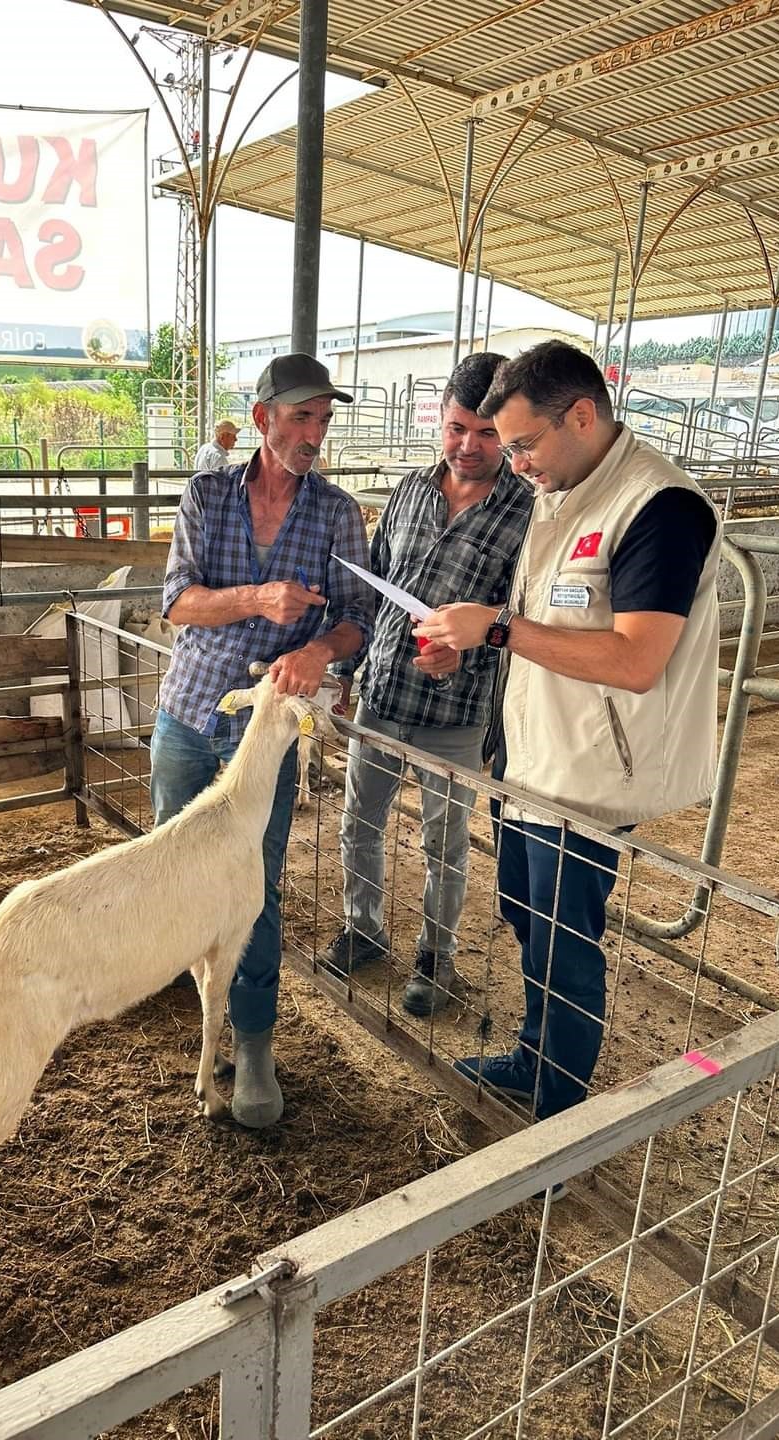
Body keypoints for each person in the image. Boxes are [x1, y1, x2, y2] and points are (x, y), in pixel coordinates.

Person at [418, 340, 720, 1123]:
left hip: (590, 773)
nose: (512, 463)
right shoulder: (564, 492)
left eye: (521, 443)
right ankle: (534, 1054)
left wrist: (497, 632)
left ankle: (558, 1115)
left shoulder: (660, 506)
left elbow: (636, 658)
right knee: (526, 918)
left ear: (580, 415)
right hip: (529, 760)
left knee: (565, 943)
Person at [152, 353, 374, 1129]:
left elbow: (358, 617)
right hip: (190, 711)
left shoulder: (339, 512)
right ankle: (187, 996)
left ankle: (251, 1042)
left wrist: (318, 651)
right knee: (172, 867)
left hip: (265, 734)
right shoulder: (207, 495)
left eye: (323, 420)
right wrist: (256, 598)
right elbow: (176, 601)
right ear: (262, 420)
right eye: (301, 418)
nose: (315, 434)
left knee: (256, 887)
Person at [317, 352, 534, 1016]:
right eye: (457, 429)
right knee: (359, 821)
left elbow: (524, 617)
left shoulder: (530, 511)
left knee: (446, 841)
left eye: (487, 433)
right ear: (439, 421)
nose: (469, 447)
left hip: (457, 711)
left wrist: (466, 654)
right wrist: (346, 675)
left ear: (508, 431)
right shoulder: (410, 490)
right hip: (383, 692)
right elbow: (374, 587)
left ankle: (435, 958)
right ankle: (364, 927)